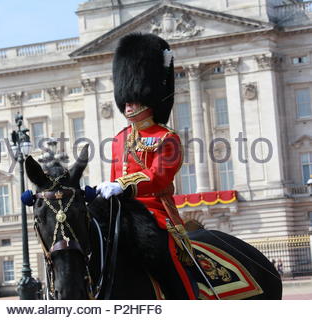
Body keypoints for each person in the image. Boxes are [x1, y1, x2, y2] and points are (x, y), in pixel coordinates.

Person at [97, 33, 196, 299]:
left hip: (156, 214)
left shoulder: (167, 138)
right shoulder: (119, 139)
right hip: (123, 214)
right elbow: (113, 180)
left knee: (167, 260)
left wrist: (122, 186)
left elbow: (158, 179)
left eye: (134, 99)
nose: (128, 105)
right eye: (126, 100)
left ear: (149, 98)